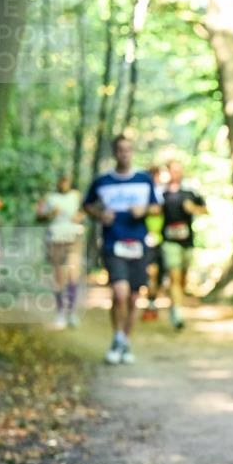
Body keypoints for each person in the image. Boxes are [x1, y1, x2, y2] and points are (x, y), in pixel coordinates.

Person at [83, 134, 162, 365]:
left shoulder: (144, 179)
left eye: (128, 150)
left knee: (134, 297)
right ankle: (117, 337)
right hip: (112, 244)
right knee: (119, 294)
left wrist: (144, 210)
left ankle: (125, 341)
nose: (124, 154)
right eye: (120, 150)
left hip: (138, 245)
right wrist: (100, 215)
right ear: (114, 153)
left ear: (132, 152)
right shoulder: (102, 181)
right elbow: (87, 206)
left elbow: (157, 208)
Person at [161, 160, 207, 330]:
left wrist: (192, 208)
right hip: (168, 241)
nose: (176, 173)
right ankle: (177, 312)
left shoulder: (190, 192)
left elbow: (204, 210)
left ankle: (175, 304)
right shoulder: (161, 193)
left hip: (187, 242)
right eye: (173, 170)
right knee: (174, 275)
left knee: (182, 279)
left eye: (179, 170)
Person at [36, 175, 84, 329]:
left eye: (66, 181)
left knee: (72, 275)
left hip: (73, 239)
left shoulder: (76, 196)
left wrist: (80, 216)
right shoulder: (49, 198)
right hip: (55, 239)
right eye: (61, 181)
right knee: (59, 277)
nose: (63, 183)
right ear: (57, 182)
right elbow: (38, 217)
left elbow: (87, 209)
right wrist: (51, 214)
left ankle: (71, 312)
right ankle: (61, 312)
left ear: (70, 182)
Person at [141, 165, 167, 322]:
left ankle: (152, 302)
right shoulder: (145, 193)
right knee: (151, 272)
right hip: (147, 238)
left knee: (160, 274)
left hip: (163, 239)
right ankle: (150, 304)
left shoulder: (164, 192)